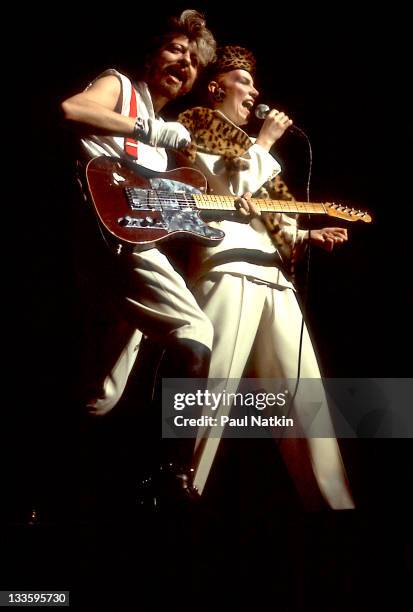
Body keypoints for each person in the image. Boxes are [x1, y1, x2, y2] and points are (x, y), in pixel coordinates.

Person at [178, 45, 355, 509]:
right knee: (208, 397)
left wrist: (307, 234)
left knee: (306, 403)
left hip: (274, 276)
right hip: (229, 268)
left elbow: (264, 212)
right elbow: (230, 191)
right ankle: (177, 494)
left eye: (255, 83)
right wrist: (264, 142)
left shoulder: (246, 143)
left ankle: (335, 506)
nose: (255, 91)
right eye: (245, 82)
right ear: (216, 88)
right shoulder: (192, 127)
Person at [61, 10, 217, 489]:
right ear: (152, 53)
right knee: (196, 333)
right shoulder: (121, 87)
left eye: (193, 60)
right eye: (176, 49)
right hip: (109, 244)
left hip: (118, 249)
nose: (185, 62)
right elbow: (71, 110)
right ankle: (172, 473)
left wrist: (210, 216)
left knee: (102, 390)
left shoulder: (161, 147)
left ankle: (46, 489)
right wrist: (146, 130)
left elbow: (154, 213)